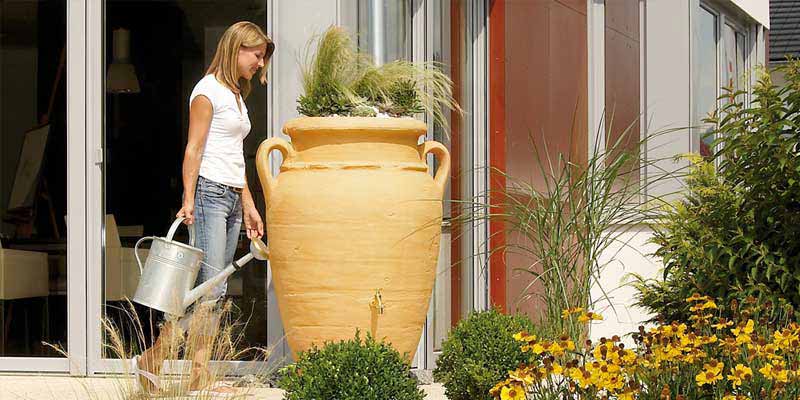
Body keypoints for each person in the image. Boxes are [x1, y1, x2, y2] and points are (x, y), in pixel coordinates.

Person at [132, 21, 273, 395]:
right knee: (207, 290)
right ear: (236, 49)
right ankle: (154, 359)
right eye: (255, 55)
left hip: (229, 195)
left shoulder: (236, 95)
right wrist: (189, 198)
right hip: (210, 194)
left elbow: (235, 158)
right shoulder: (206, 92)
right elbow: (194, 149)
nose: (259, 63)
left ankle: (198, 374)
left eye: (261, 57)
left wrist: (249, 206)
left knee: (217, 288)